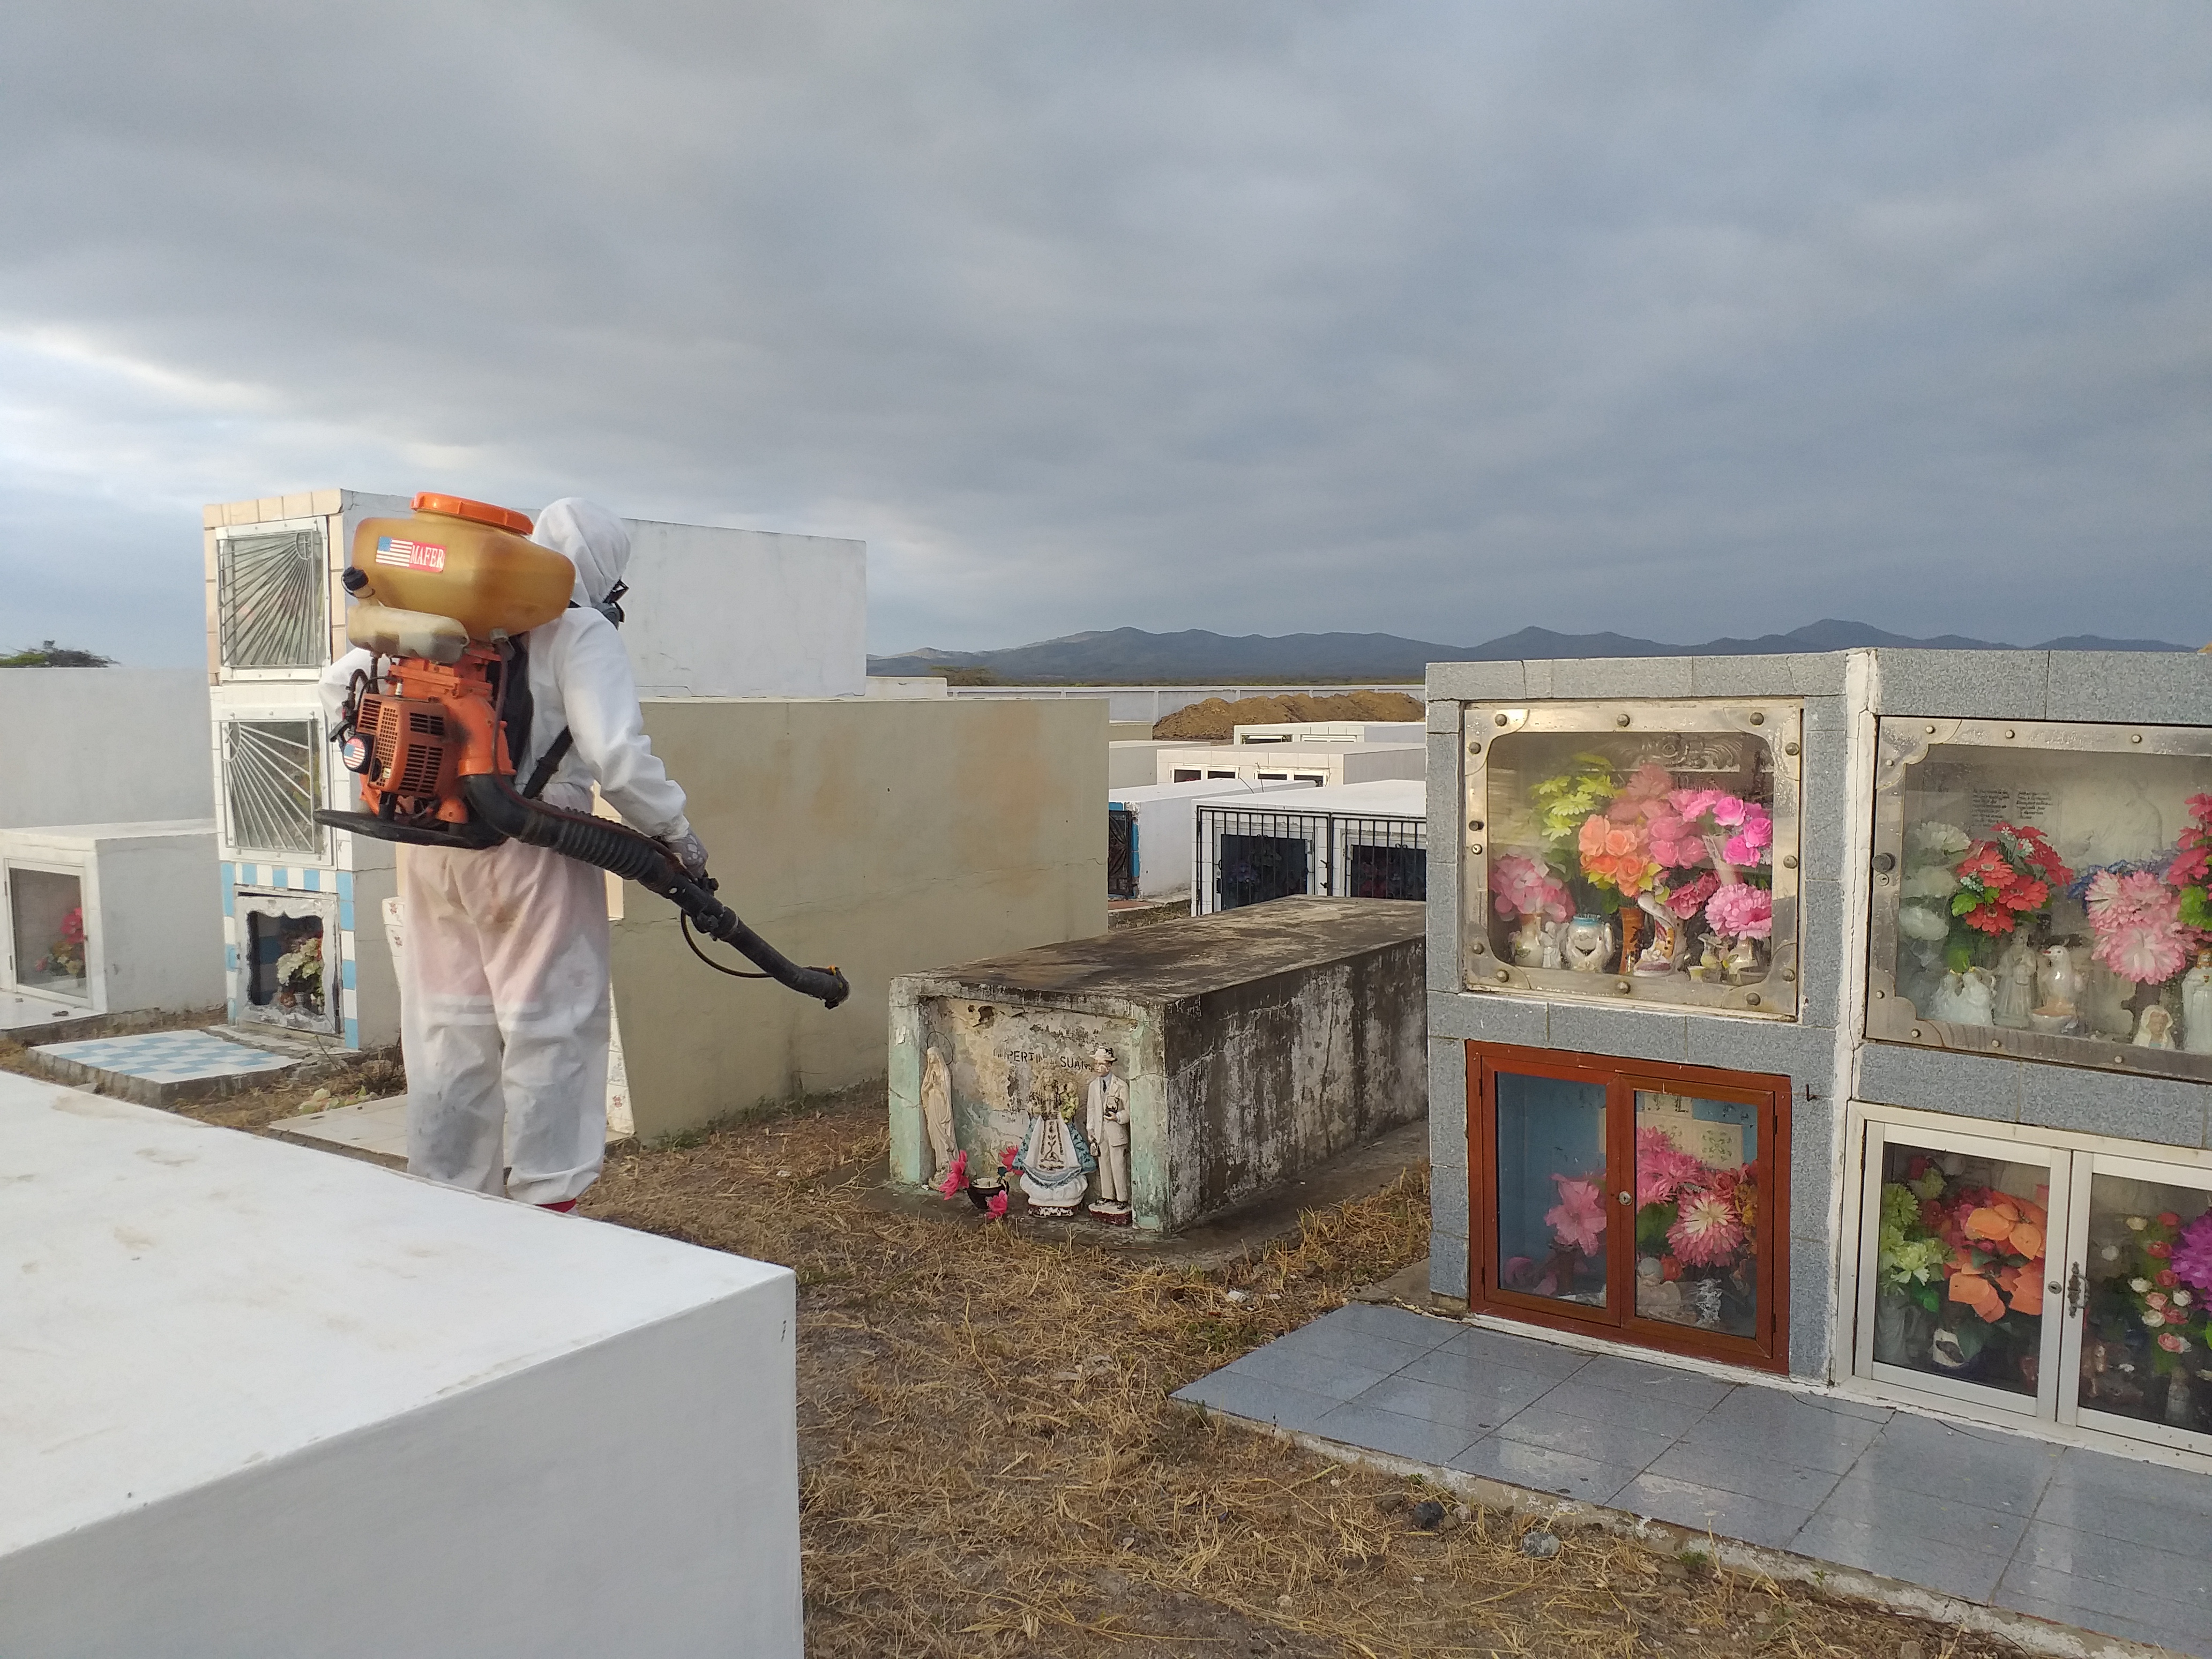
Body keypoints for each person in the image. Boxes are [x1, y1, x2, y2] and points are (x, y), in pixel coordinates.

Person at [320, 498, 705, 1209]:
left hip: (432, 840)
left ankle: (448, 1201)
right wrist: (676, 834)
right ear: (604, 572)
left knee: (446, 1025)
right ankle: (548, 1204)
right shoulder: (579, 629)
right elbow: (618, 758)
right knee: (549, 1026)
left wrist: (405, 768)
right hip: (537, 846)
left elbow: (338, 686)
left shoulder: (439, 612)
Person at [1083, 1045, 1131, 1223]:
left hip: (1116, 1133)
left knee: (1118, 1166)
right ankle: (1107, 1196)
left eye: (1101, 1064)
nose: (1098, 1067)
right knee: (1104, 1165)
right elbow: (1091, 1110)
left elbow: (1130, 1111)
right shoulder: (1093, 1086)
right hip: (1101, 1133)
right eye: (1096, 1064)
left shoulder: (1121, 1086)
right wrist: (1091, 1130)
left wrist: (1117, 1117)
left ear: (1110, 1066)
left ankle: (1122, 1199)